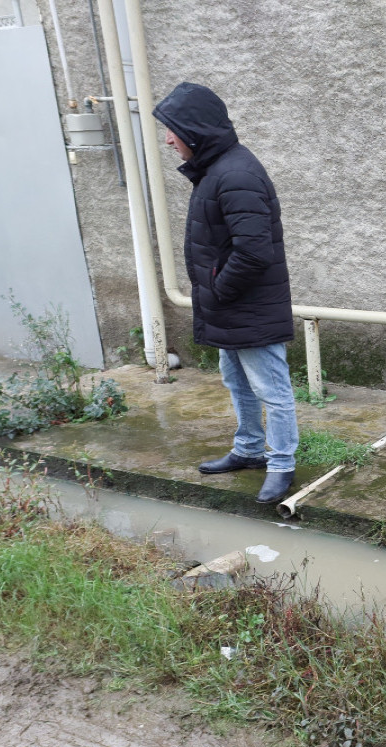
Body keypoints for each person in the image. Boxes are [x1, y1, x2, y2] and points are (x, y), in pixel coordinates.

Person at [152, 82, 298, 505]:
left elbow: (253, 252)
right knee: (238, 383)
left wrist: (217, 290)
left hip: (246, 306)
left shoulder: (235, 173)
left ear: (193, 130)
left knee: (272, 389)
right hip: (229, 306)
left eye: (172, 130)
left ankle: (282, 463)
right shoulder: (217, 170)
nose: (167, 139)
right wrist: (216, 295)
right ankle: (250, 450)